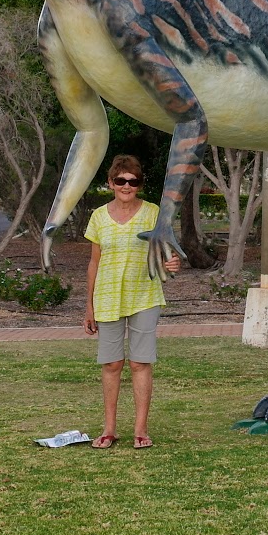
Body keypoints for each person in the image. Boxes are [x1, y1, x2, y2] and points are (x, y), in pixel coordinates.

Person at [83, 155, 180, 449]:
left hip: (144, 297)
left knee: (140, 362)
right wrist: (89, 306)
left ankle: (141, 430)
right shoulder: (98, 217)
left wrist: (172, 264)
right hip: (108, 298)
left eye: (133, 181)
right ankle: (109, 429)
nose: (127, 186)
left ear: (139, 185)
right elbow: (93, 262)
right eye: (121, 180)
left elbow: (166, 255)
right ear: (111, 183)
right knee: (112, 363)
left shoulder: (153, 214)